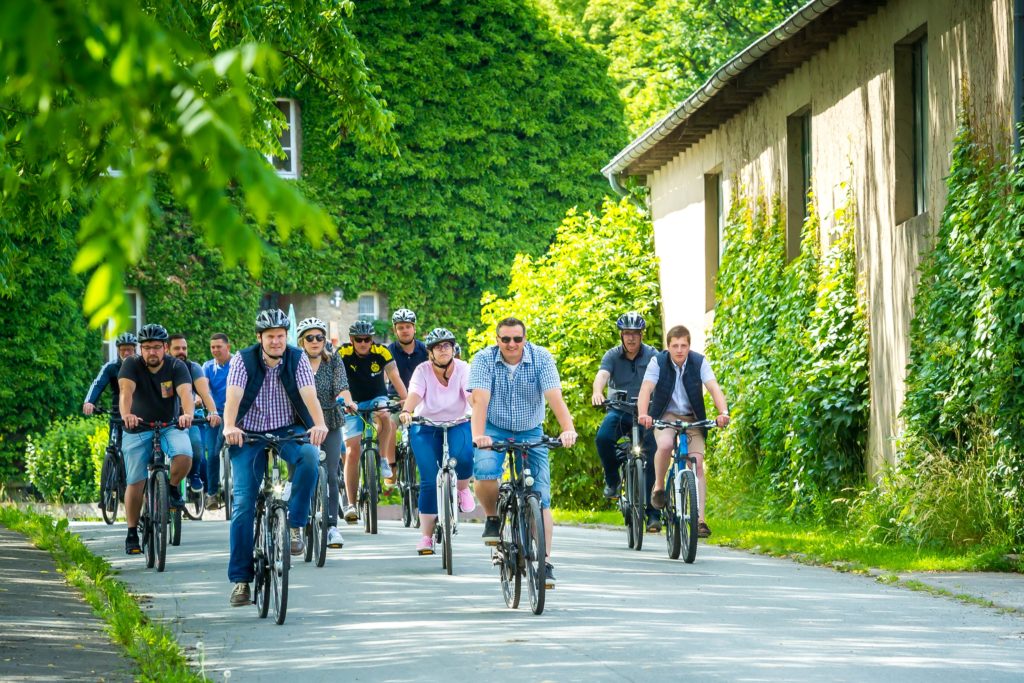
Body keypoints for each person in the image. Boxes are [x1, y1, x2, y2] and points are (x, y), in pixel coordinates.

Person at [221, 309, 328, 607]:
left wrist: (318, 423)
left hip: (287, 427)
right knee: (243, 506)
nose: (277, 341)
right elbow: (233, 396)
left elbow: (309, 394)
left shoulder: (297, 358)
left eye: (281, 336)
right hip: (248, 432)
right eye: (271, 337)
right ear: (260, 338)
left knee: (309, 456)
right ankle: (241, 580)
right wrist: (230, 426)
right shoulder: (243, 360)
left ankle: (294, 524)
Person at [469, 317, 577, 588]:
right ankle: (493, 518)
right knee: (484, 469)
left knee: (540, 497)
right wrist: (478, 436)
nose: (511, 344)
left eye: (517, 339)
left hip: (530, 429)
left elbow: (554, 397)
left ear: (524, 339)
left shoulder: (541, 358)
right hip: (493, 428)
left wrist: (568, 429)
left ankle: (545, 562)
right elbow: (479, 400)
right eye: (505, 339)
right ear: (497, 340)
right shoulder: (484, 359)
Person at [637, 324, 730, 539]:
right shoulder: (657, 362)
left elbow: (714, 387)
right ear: (668, 347)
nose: (679, 350)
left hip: (692, 418)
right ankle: (659, 487)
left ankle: (700, 520)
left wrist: (723, 412)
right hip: (665, 416)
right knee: (666, 444)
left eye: (684, 345)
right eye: (675, 345)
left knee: (696, 464)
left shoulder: (699, 362)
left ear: (689, 346)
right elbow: (646, 389)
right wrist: (644, 414)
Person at [117, 324, 194, 555]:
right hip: (137, 427)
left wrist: (187, 414)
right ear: (141, 349)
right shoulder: (131, 364)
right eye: (147, 347)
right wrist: (126, 415)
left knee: (184, 455)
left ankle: (170, 489)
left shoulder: (176, 366)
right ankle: (132, 532)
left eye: (157, 347)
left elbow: (186, 393)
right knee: (136, 481)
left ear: (166, 348)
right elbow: (125, 392)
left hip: (170, 425)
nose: (152, 352)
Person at [399, 328, 475, 555]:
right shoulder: (422, 371)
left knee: (464, 456)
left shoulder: (463, 368)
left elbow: (470, 395)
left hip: (458, 422)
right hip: (425, 425)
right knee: (429, 480)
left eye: (447, 345)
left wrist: (477, 407)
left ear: (453, 349)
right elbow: (414, 394)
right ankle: (426, 536)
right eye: (438, 346)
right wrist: (406, 411)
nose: (443, 349)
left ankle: (462, 488)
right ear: (430, 352)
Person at [591, 312, 661, 531]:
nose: (631, 338)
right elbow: (602, 375)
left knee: (653, 455)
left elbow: (663, 378)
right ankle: (612, 481)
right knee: (603, 438)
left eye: (635, 334)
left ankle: (653, 514)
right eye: (627, 334)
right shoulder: (612, 355)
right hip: (620, 410)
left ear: (642, 335)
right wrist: (597, 392)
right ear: (621, 335)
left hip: (645, 414)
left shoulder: (652, 355)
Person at [338, 320, 408, 523]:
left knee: (385, 414)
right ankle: (351, 504)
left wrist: (405, 401)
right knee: (352, 452)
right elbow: (336, 379)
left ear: (372, 339)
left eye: (367, 339)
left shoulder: (382, 352)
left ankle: (384, 459)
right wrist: (346, 401)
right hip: (352, 401)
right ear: (351, 340)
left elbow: (394, 376)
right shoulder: (342, 354)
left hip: (377, 396)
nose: (363, 343)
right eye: (358, 340)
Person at [297, 317, 353, 550]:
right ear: (302, 341)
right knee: (300, 473)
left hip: (330, 420)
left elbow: (342, 386)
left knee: (330, 474)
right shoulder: (294, 361)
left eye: (319, 337)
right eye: (310, 337)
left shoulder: (334, 360)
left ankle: (331, 526)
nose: (315, 341)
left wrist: (348, 402)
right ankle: (296, 525)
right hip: (300, 423)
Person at [83, 332, 137, 514]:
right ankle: (107, 493)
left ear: (135, 349)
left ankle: (130, 484)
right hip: (116, 413)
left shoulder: (140, 366)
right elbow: (98, 384)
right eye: (123, 350)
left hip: (137, 414)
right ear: (118, 351)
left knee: (132, 451)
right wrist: (90, 401)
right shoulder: (111, 367)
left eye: (129, 349)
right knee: (113, 448)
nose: (126, 353)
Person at [169, 334, 222, 493]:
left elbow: (205, 394)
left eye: (184, 348)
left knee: (197, 447)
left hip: (188, 418)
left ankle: (194, 474)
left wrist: (213, 412)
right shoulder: (163, 368)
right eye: (177, 348)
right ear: (167, 349)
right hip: (164, 420)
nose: (181, 352)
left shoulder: (193, 368)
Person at [386, 308, 427, 486]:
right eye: (400, 327)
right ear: (395, 330)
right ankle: (391, 466)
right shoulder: (389, 350)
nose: (405, 330)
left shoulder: (425, 350)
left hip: (421, 399)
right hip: (396, 399)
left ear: (414, 329)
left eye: (408, 326)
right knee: (388, 424)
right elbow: (383, 377)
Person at [202, 333, 233, 506]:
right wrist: (209, 407)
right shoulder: (207, 367)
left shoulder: (237, 363)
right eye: (212, 347)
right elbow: (205, 389)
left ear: (227, 347)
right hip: (214, 415)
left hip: (235, 414)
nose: (215, 350)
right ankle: (212, 494)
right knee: (212, 453)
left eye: (218, 346)